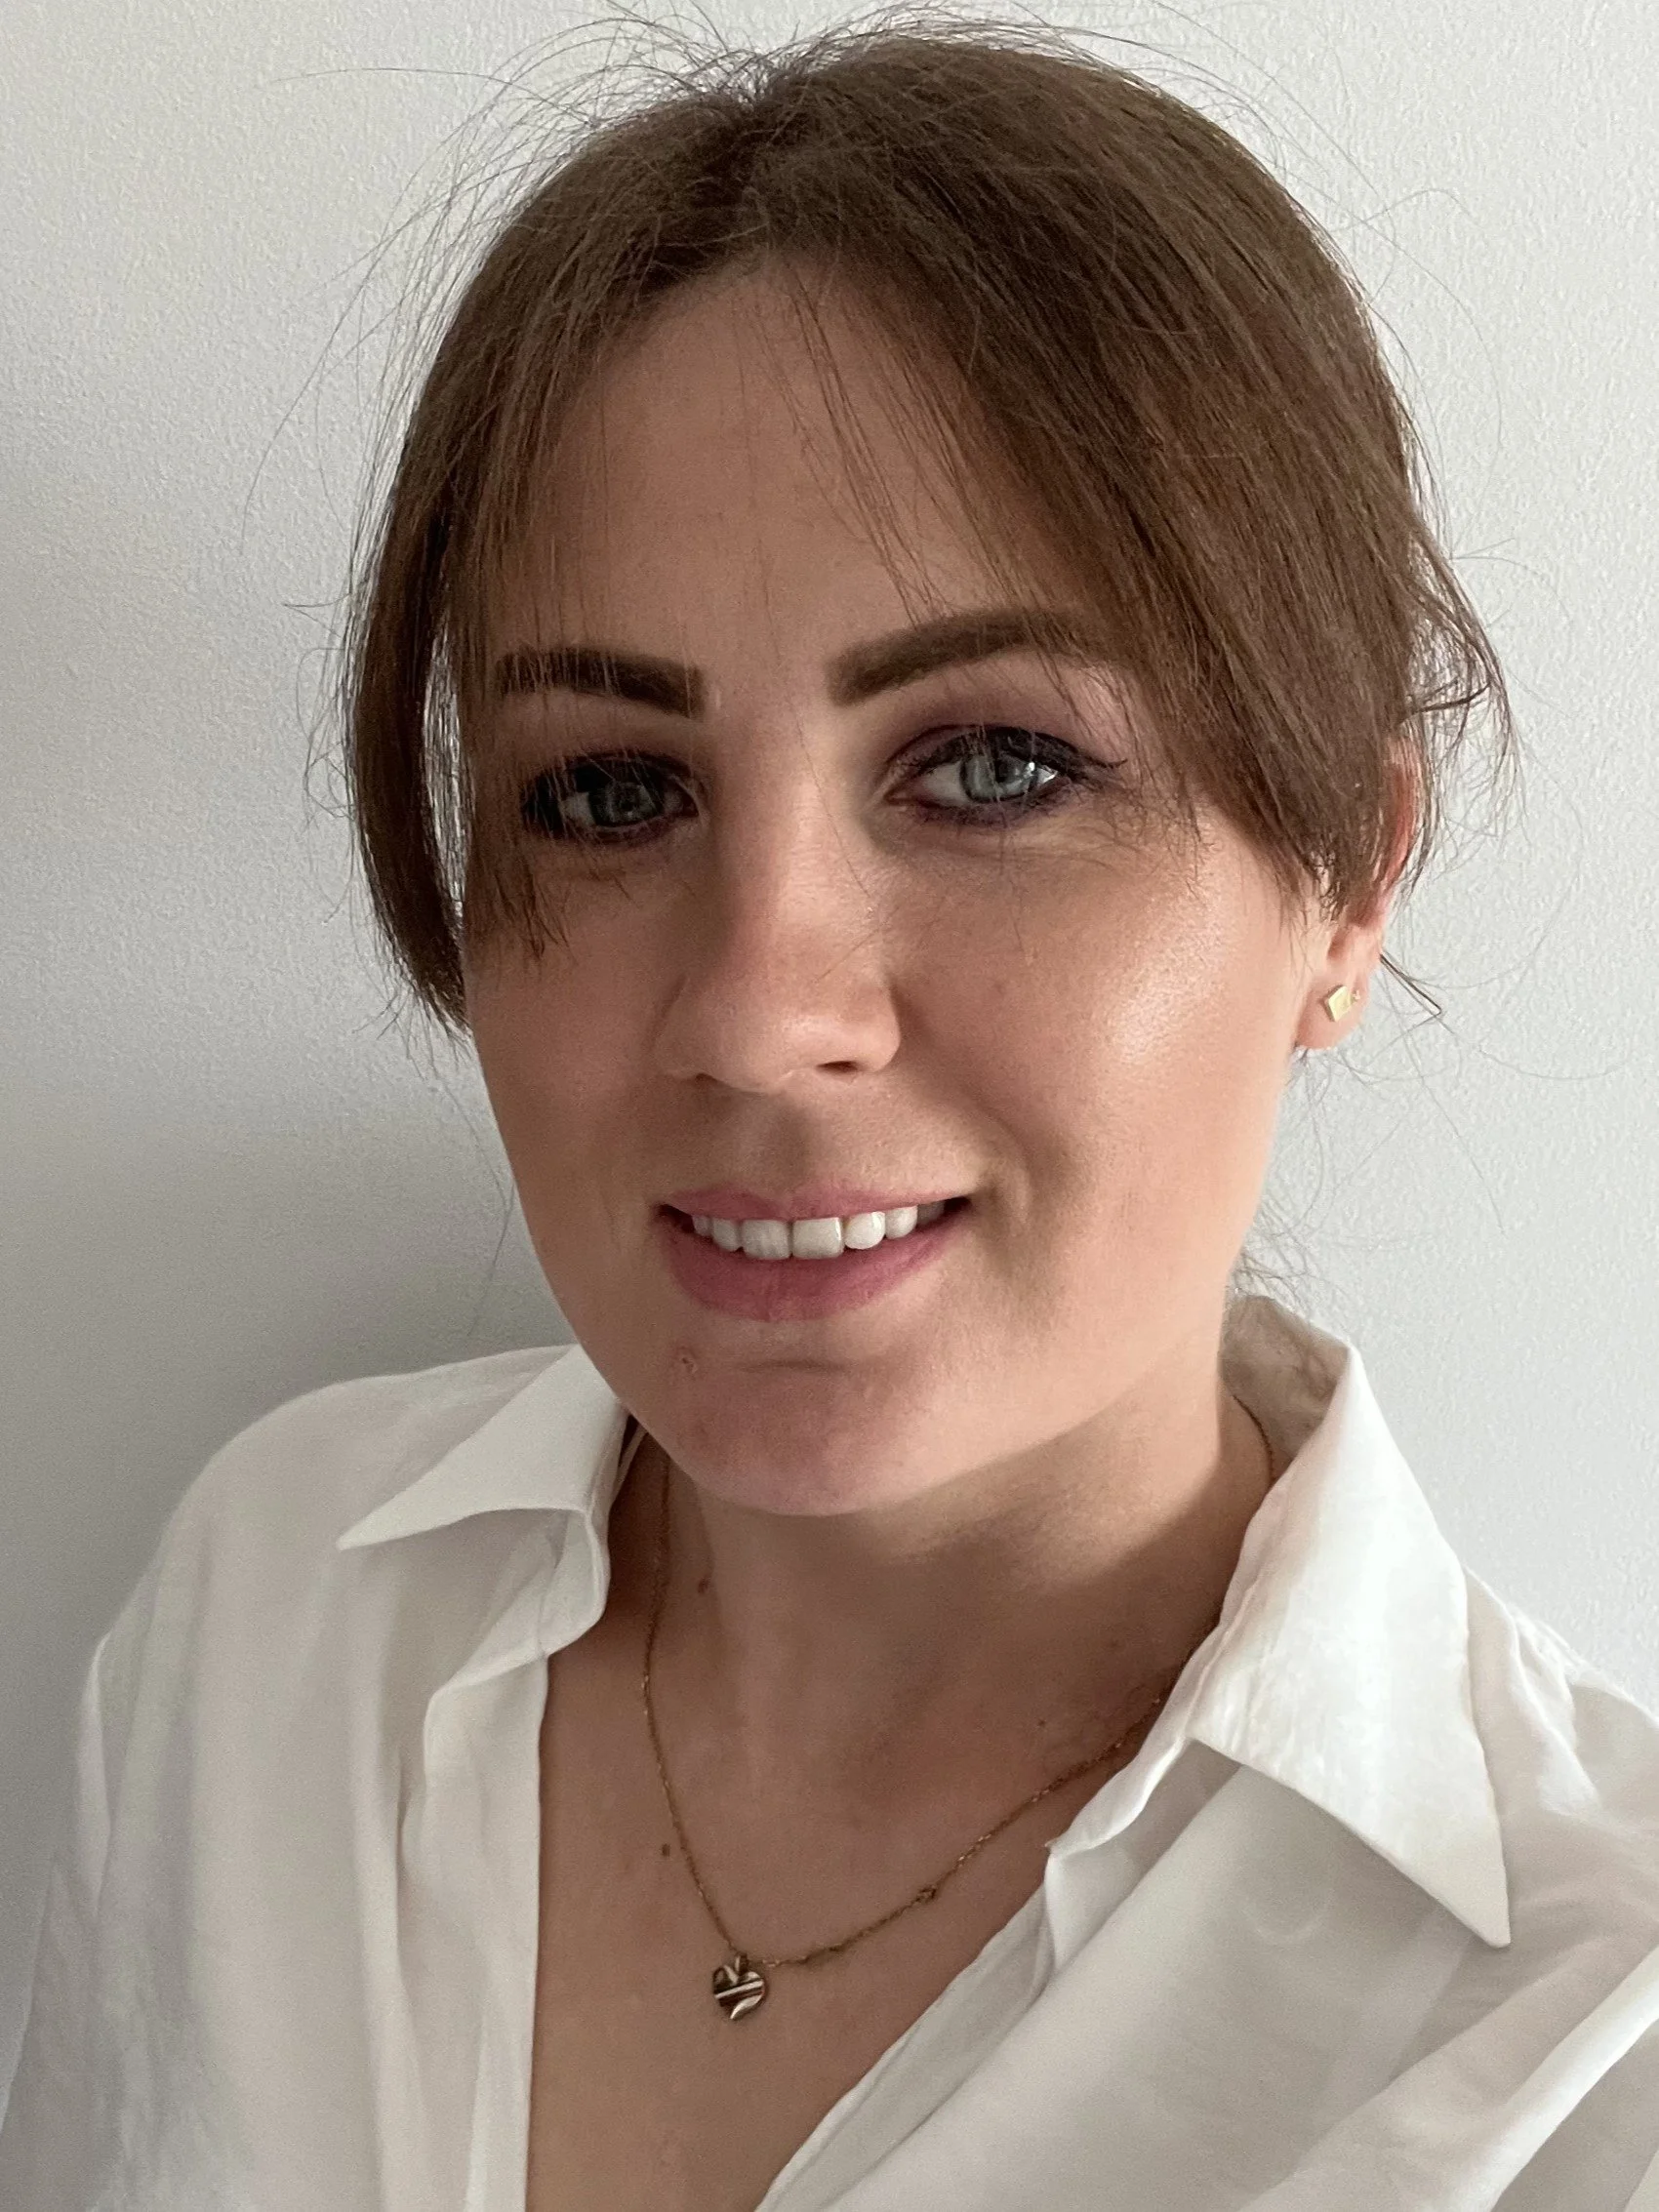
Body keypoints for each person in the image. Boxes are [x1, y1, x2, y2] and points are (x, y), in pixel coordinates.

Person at [5, 15, 1658, 2210]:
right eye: (609, 790)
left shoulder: (1576, 2054)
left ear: (1345, 878)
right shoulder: (269, 1622)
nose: (761, 1009)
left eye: (992, 766)